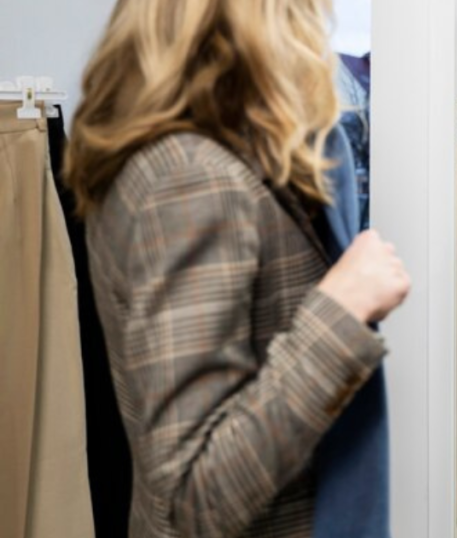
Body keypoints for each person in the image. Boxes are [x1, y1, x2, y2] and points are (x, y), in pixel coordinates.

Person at [63, 0, 410, 536]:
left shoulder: (183, 159)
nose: (314, 29)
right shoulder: (189, 178)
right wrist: (340, 313)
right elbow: (189, 496)